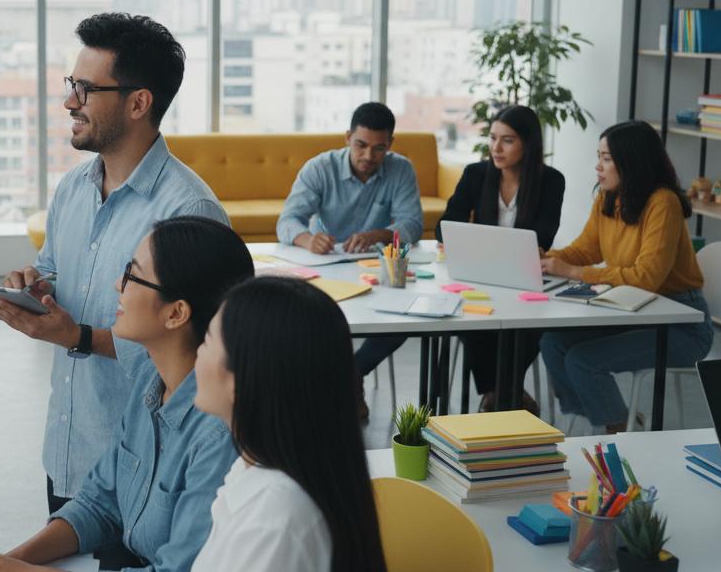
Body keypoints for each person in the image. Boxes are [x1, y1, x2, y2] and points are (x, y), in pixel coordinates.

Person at [0, 13, 228, 560]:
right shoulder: (74, 187)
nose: (70, 101)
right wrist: (35, 285)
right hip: (74, 452)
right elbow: (53, 267)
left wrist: (77, 337)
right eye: (72, 85)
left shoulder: (189, 211)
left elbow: (201, 349)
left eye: (86, 89)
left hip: (155, 468)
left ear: (138, 103)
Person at [0, 217, 250, 572]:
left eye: (133, 276)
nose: (116, 284)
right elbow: (98, 504)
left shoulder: (218, 435)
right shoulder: (150, 383)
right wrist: (7, 560)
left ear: (176, 313)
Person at [190, 276, 388, 571]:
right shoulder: (256, 464)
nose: (197, 352)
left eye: (206, 340)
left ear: (241, 381)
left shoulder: (276, 522)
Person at [540, 120, 710, 433]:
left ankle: (617, 428)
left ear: (631, 162)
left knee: (582, 360)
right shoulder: (608, 198)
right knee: (552, 342)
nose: (597, 167)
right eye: (599, 157)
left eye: (606, 159)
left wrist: (574, 272)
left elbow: (647, 277)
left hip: (681, 322)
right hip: (634, 308)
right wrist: (545, 259)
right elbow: (584, 250)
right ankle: (606, 418)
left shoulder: (663, 203)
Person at [276, 101, 423, 419]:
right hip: (326, 266)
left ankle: (351, 375)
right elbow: (287, 221)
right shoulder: (320, 167)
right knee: (309, 318)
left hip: (376, 270)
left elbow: (412, 224)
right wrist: (307, 239)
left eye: (379, 148)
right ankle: (322, 388)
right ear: (347, 138)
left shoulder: (401, 169)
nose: (368, 156)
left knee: (404, 318)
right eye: (361, 145)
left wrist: (378, 234)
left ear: (390, 145)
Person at [437, 105, 566, 413]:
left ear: (528, 143)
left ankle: (499, 392)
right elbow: (446, 226)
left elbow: (543, 237)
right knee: (471, 319)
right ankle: (504, 391)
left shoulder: (551, 181)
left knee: (532, 325)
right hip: (479, 276)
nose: (495, 147)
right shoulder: (476, 174)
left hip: (524, 278)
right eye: (493, 138)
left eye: (507, 140)